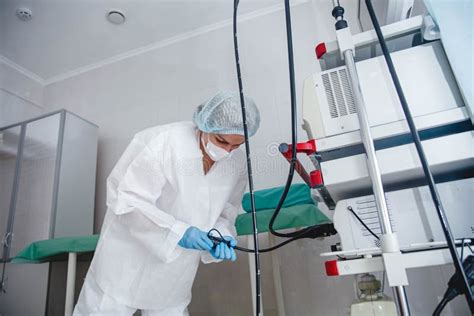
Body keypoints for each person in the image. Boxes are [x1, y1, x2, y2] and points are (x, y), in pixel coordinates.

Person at [73, 91, 260, 316]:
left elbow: (225, 212)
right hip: (124, 265)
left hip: (173, 275)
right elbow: (126, 200)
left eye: (237, 145)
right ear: (204, 125)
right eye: (221, 141)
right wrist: (177, 232)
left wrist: (220, 235)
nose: (227, 151)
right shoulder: (164, 142)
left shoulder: (236, 164)